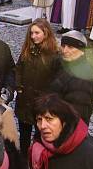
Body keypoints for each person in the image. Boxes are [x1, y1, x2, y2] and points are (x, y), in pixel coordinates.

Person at [15, 19, 60, 155]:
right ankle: (23, 159)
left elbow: (57, 80)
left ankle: (38, 158)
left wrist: (48, 99)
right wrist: (19, 86)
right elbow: (18, 68)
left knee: (40, 135)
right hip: (25, 101)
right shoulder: (27, 50)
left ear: (45, 33)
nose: (33, 36)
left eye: (37, 33)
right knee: (24, 134)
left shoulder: (54, 56)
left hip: (42, 104)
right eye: (31, 33)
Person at [48, 30, 93, 123]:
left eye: (70, 47)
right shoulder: (66, 63)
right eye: (63, 46)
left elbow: (76, 113)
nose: (65, 50)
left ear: (82, 51)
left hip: (66, 128)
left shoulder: (82, 75)